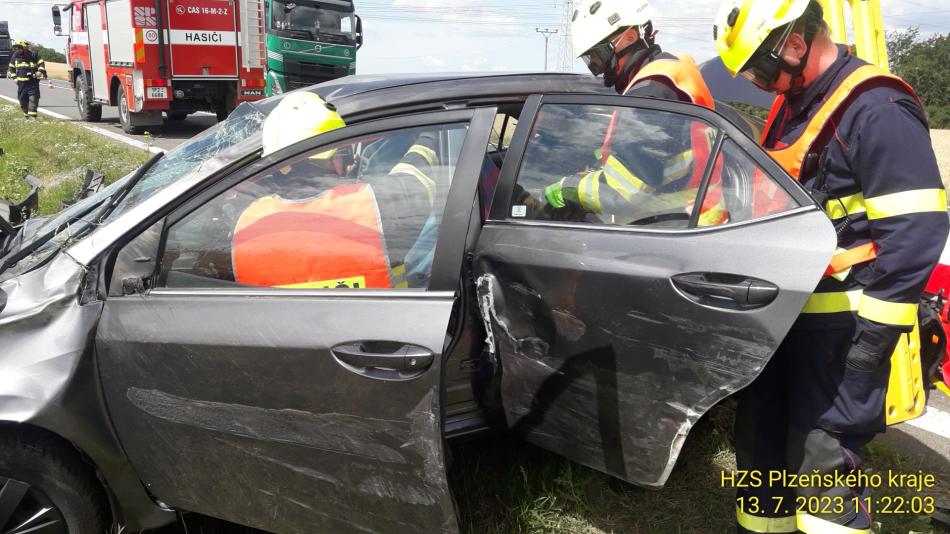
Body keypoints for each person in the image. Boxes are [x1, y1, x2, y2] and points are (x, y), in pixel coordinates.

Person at [713, 1, 949, 533]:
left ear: (793, 45)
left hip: (842, 331)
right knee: (761, 451)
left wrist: (870, 346)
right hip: (784, 321)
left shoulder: (878, 109)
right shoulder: (795, 104)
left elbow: (916, 235)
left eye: (758, 68)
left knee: (823, 470)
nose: (756, 82)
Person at [542, 0, 725, 225]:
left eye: (598, 57)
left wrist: (567, 188)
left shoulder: (650, 94)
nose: (598, 69)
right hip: (693, 222)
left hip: (671, 229)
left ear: (629, 37)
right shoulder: (669, 75)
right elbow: (658, 157)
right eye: (591, 62)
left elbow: (621, 193)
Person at [6, 40, 46, 120]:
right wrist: (14, 78)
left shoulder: (33, 55)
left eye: (19, 48)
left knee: (33, 99)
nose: (17, 50)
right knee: (22, 100)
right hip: (21, 84)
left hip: (32, 82)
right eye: (16, 48)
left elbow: (41, 63)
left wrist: (40, 71)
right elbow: (11, 68)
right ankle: (27, 115)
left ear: (24, 48)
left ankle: (32, 117)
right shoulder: (15, 57)